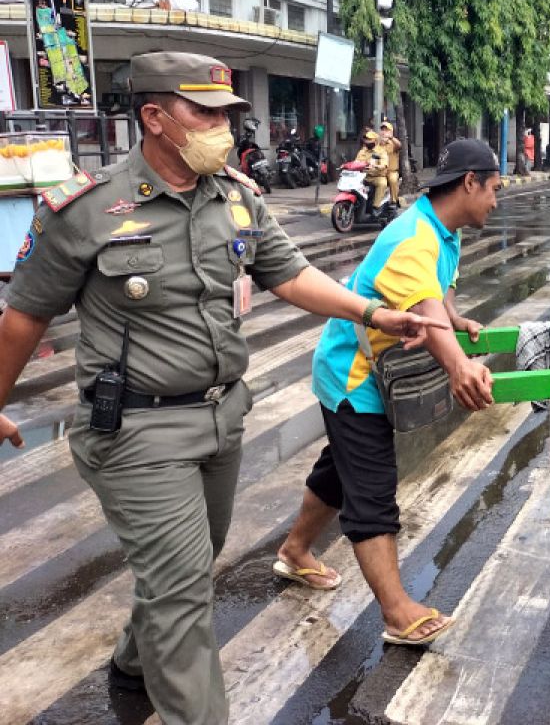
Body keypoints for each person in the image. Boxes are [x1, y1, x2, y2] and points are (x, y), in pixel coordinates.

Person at [0, 52, 446, 725]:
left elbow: (290, 275)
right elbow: (24, 318)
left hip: (220, 421)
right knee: (182, 594)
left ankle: (131, 667)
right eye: (203, 112)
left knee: (184, 569)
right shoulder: (87, 210)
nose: (222, 126)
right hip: (134, 433)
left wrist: (373, 313)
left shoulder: (234, 197)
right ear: (154, 118)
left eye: (227, 113)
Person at [274, 138, 498, 646]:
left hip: (376, 366)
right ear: (469, 184)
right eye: (494, 190)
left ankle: (294, 551)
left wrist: (455, 317)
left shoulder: (444, 230)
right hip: (354, 374)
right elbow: (424, 296)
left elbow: (436, 293)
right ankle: (397, 613)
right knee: (371, 487)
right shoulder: (414, 237)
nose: (495, 200)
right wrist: (460, 367)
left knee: (341, 470)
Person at [355, 130, 391, 212]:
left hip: (376, 176)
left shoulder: (381, 151)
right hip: (363, 176)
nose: (367, 141)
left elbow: (384, 164)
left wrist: (376, 166)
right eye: (366, 139)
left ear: (375, 141)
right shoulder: (362, 151)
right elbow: (356, 162)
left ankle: (376, 207)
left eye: (369, 139)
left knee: (382, 183)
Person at [378, 121, 403, 206]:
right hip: (379, 171)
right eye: (382, 130)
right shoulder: (378, 144)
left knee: (393, 179)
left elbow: (400, 145)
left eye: (386, 130)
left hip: (391, 171)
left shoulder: (393, 143)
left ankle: (394, 202)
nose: (384, 132)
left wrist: (391, 138)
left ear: (391, 132)